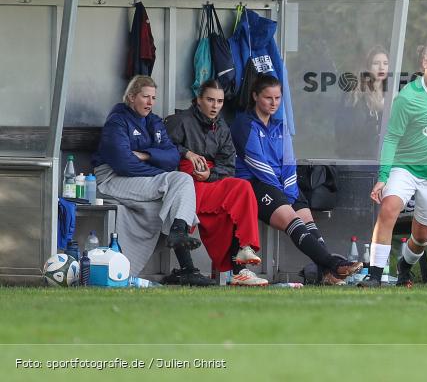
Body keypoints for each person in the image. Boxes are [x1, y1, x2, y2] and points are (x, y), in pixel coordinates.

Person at [231, 74, 362, 285]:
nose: (274, 103)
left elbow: (289, 161)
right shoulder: (244, 123)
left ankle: (326, 273)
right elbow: (257, 164)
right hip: (256, 184)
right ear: (255, 96)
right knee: (293, 220)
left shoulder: (280, 125)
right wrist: (281, 192)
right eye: (268, 98)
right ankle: (334, 264)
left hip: (283, 185)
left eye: (277, 98)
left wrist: (290, 189)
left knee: (308, 223)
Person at [92, 75, 213, 286]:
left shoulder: (153, 121)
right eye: (145, 97)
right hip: (111, 179)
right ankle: (181, 245)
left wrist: (146, 155)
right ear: (131, 97)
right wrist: (158, 170)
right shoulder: (117, 120)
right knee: (181, 180)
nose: (150, 102)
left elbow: (173, 157)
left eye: (153, 98)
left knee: (171, 198)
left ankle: (186, 267)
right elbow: (123, 164)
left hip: (138, 179)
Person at [359, 41, 427, 288]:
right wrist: (383, 176)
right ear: (425, 63)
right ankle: (374, 275)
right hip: (405, 166)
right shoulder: (407, 98)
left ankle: (404, 266)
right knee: (389, 209)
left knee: (422, 236)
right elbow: (391, 138)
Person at [165, 79, 268, 286]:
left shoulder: (222, 127)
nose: (215, 106)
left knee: (243, 187)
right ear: (198, 99)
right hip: (184, 181)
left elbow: (228, 166)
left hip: (210, 179)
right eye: (210, 100)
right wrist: (186, 153)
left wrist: (209, 175)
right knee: (208, 196)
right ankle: (232, 269)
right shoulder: (180, 120)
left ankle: (244, 252)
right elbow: (162, 147)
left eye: (219, 101)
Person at [335, 46, 388, 160]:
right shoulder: (355, 93)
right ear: (368, 67)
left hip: (381, 156)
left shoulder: (390, 93)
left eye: (385, 63)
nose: (381, 67)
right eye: (376, 63)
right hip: (357, 157)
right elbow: (348, 130)